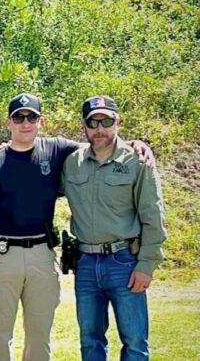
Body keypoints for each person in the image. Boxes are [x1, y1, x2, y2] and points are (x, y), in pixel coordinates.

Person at [0, 93, 155, 361]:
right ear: (8, 123)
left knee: (40, 338)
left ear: (41, 121)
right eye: (18, 117)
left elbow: (101, 143)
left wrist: (136, 144)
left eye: (31, 116)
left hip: (43, 254)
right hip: (2, 257)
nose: (25, 122)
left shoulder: (57, 150)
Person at [62, 95, 167, 361]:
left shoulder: (137, 161)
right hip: (85, 263)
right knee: (90, 342)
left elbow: (153, 216)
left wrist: (146, 265)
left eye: (106, 121)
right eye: (93, 122)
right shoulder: (71, 163)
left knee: (134, 342)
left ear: (117, 122)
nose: (99, 129)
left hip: (125, 262)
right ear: (83, 126)